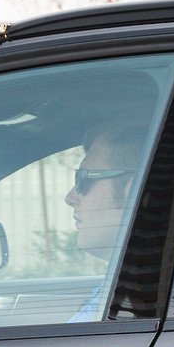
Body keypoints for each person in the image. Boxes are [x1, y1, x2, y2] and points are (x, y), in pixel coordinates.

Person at [65, 120, 149, 320]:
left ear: (134, 189)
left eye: (83, 179)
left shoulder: (135, 306)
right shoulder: (121, 289)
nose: (69, 198)